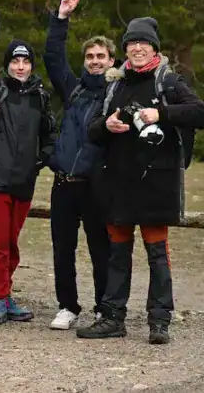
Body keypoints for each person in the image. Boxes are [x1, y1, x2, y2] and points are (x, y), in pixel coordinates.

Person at [78, 17, 204, 345]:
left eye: (143, 43)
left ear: (154, 48)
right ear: (125, 50)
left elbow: (198, 112)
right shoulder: (115, 84)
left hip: (157, 184)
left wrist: (162, 113)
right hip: (118, 182)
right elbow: (91, 130)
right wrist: (108, 125)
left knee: (157, 254)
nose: (137, 48)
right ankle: (112, 318)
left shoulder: (169, 80)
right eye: (131, 43)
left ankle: (159, 321)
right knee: (117, 254)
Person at [0, 9, 56, 326]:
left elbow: (50, 133)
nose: (20, 66)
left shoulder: (40, 97)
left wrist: (43, 157)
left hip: (23, 182)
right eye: (15, 61)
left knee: (12, 245)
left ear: (31, 65)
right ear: (7, 64)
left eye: (26, 61)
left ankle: (5, 295)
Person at [43, 0, 116, 330]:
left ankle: (105, 307)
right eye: (90, 55)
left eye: (101, 55)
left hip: (96, 185)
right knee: (63, 250)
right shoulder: (73, 89)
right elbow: (53, 58)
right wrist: (61, 19)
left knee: (101, 249)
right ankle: (67, 306)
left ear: (112, 60)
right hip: (63, 184)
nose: (95, 60)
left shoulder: (116, 93)